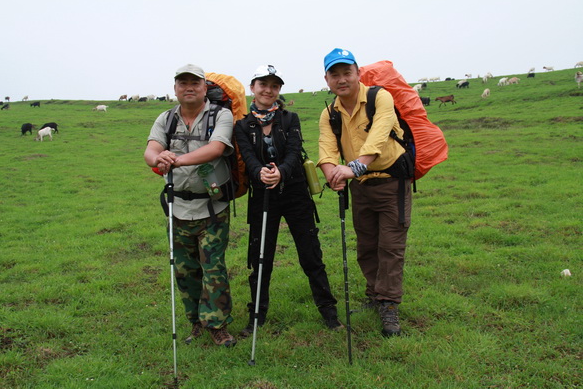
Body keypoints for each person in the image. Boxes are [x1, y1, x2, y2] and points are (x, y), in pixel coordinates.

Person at [234, 65, 343, 336]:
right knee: (260, 258)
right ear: (253, 87)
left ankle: (329, 313)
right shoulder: (243, 125)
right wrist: (260, 172)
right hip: (262, 196)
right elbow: (247, 156)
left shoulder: (289, 118)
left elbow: (295, 151)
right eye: (263, 84)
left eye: (274, 85)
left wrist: (281, 172)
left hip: (295, 193)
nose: (268, 90)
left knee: (311, 254)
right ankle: (256, 318)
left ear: (279, 90)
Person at [317, 49, 412, 337]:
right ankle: (374, 296)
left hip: (391, 182)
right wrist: (332, 174)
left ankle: (389, 305)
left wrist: (354, 167)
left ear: (358, 73)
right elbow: (326, 148)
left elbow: (379, 135)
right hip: (360, 187)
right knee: (367, 246)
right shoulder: (329, 112)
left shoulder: (379, 97)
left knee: (390, 247)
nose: (342, 79)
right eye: (335, 74)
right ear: (327, 79)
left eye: (347, 73)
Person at [144, 64, 236, 347]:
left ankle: (217, 325)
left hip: (212, 208)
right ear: (175, 89)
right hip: (177, 208)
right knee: (185, 270)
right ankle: (196, 322)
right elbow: (151, 149)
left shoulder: (221, 115)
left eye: (195, 82)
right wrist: (157, 159)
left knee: (213, 267)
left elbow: (216, 148)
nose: (189, 87)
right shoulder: (166, 118)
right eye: (182, 83)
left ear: (204, 87)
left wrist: (175, 160)